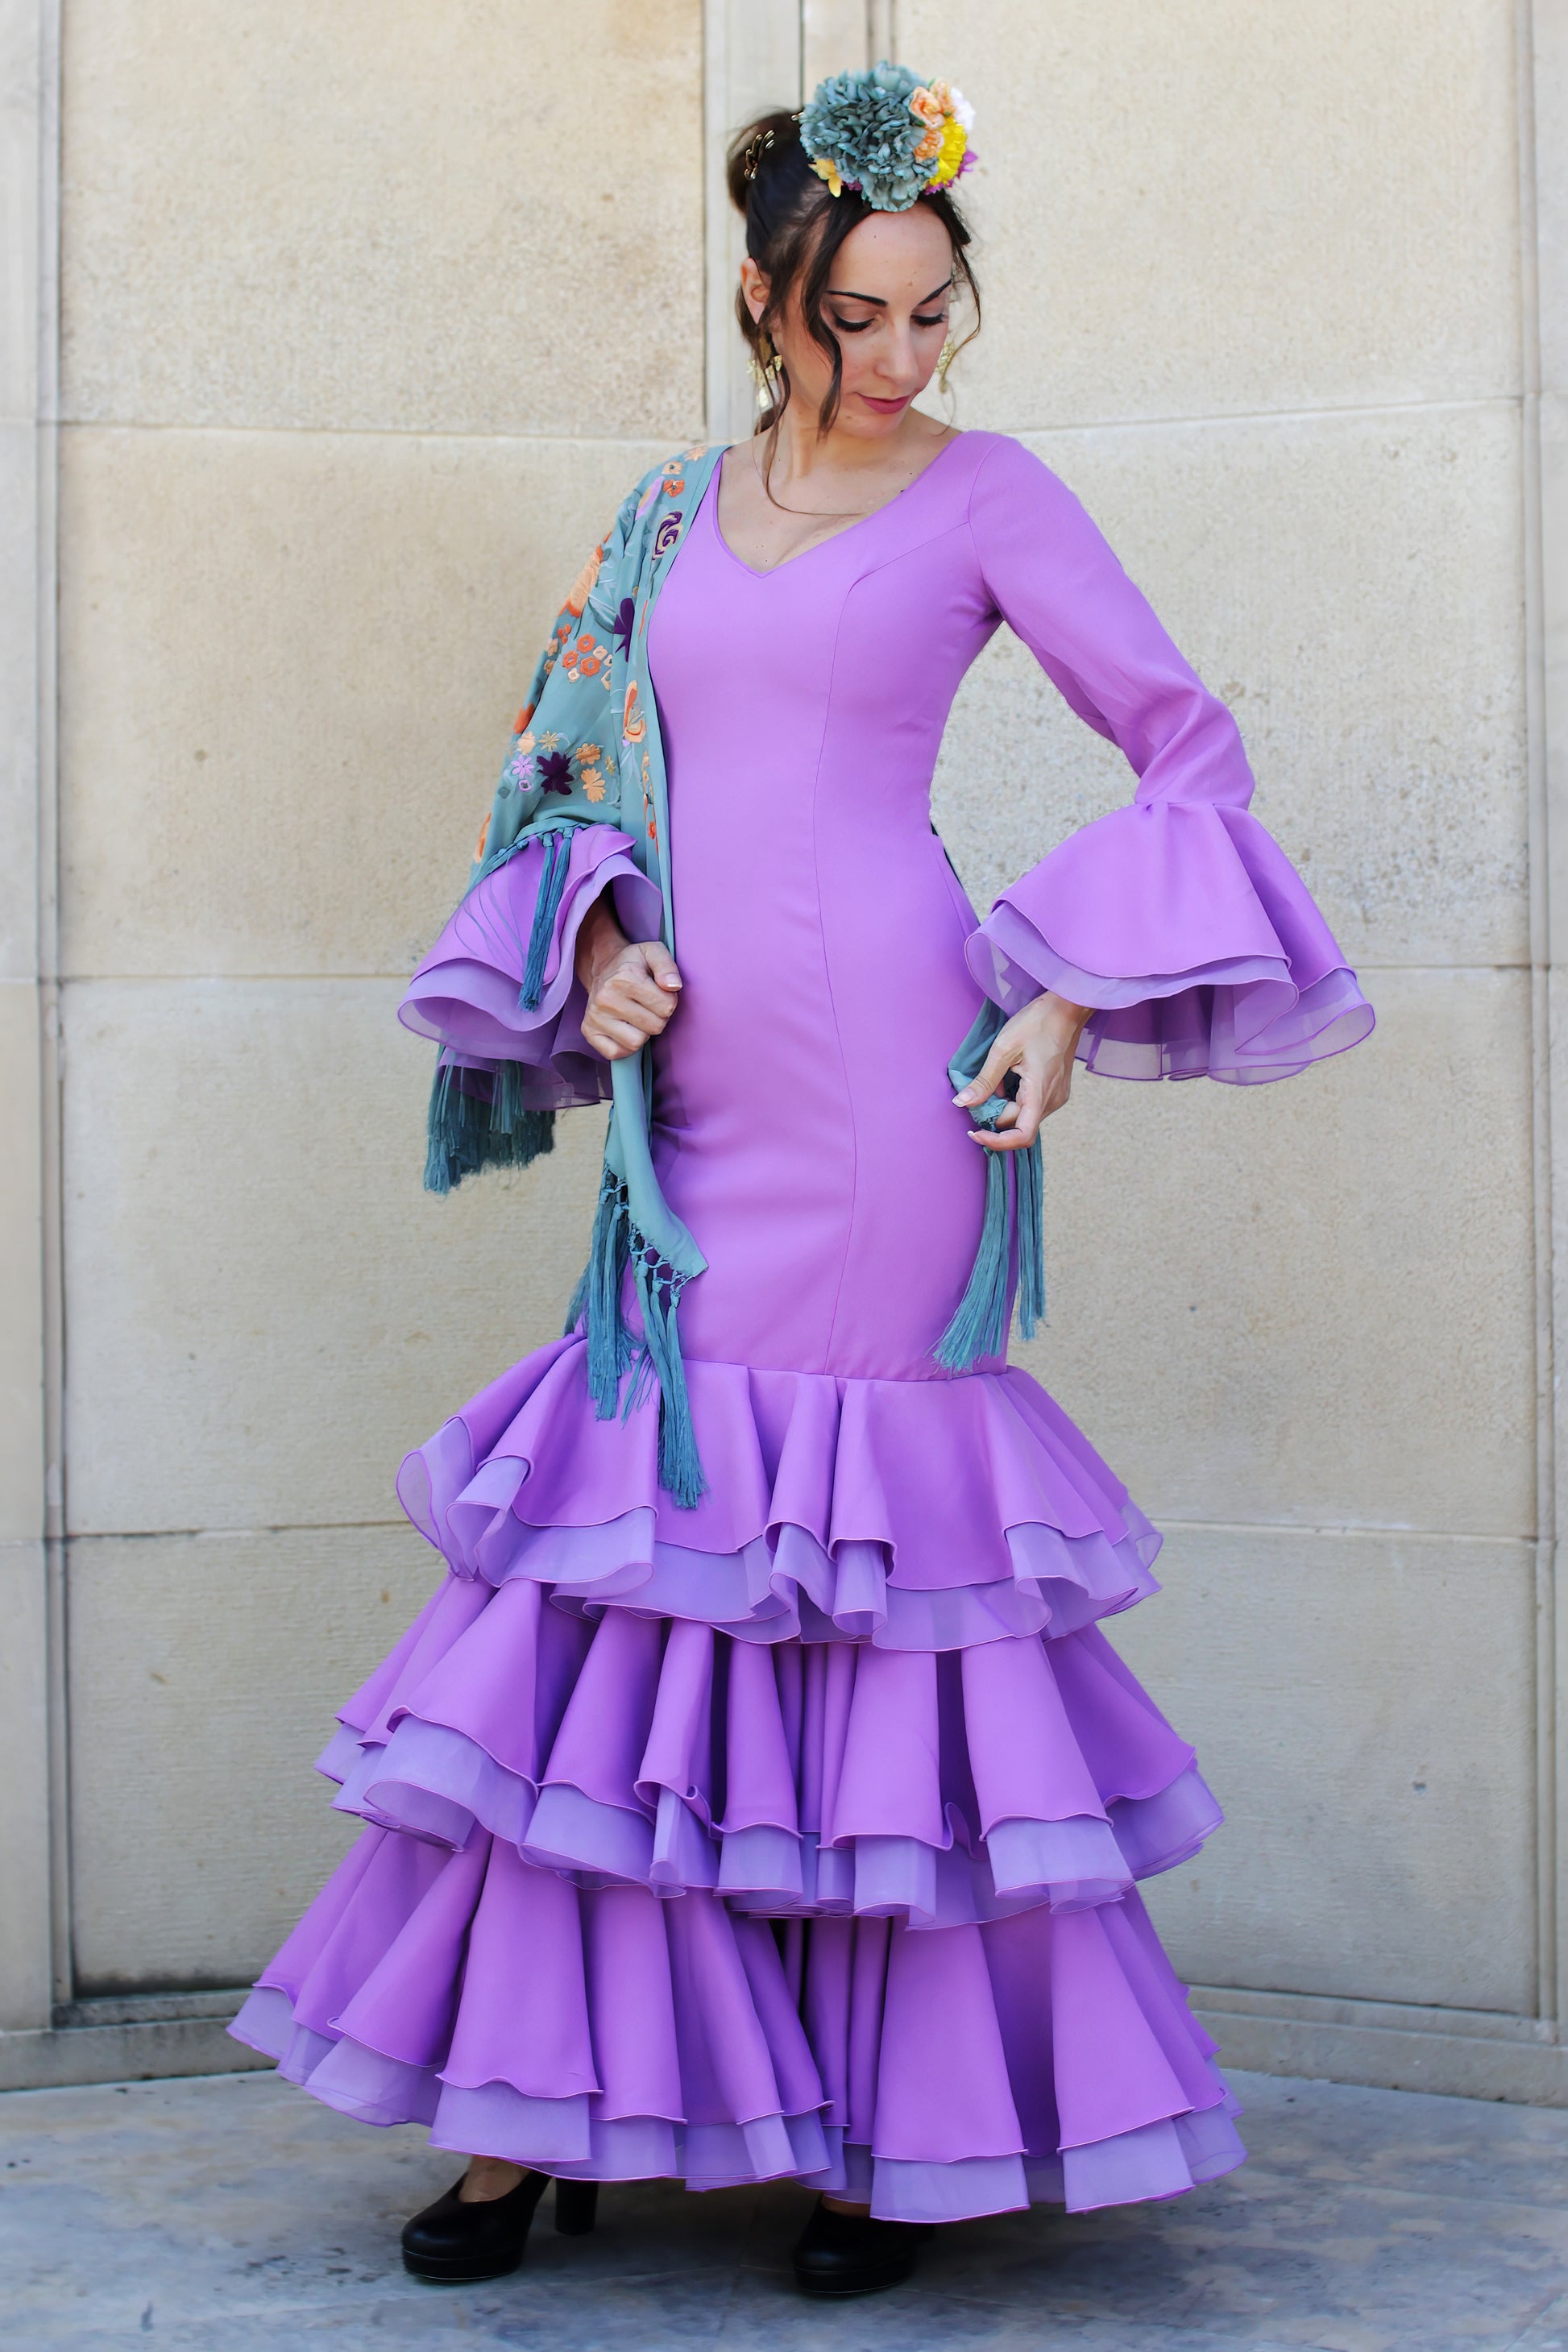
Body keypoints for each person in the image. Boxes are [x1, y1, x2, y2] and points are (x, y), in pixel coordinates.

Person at [231, 63, 1372, 2301]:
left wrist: (1055, 1004)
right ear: (767, 297)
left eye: (932, 314)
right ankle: (521, 2123)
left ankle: (878, 2139)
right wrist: (604, 952)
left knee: (861, 1605)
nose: (898, 361)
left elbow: (1186, 748)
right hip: (695, 1113)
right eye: (853, 315)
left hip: (889, 1116)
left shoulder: (988, 496)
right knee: (615, 1586)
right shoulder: (658, 516)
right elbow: (562, 797)